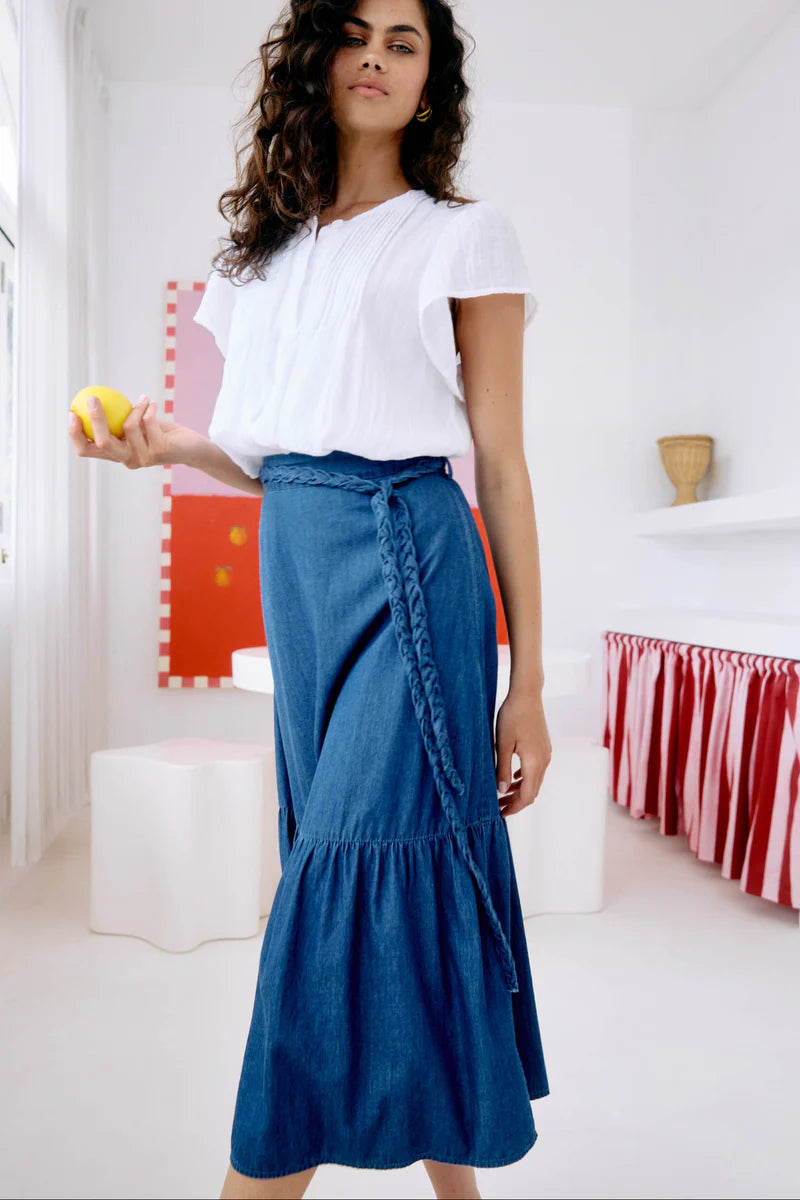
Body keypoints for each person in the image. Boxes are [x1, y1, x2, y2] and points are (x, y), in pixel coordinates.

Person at [68, 1, 552, 1197]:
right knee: (394, 872)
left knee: (343, 876)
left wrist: (526, 685)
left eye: (405, 40)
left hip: (410, 559)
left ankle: (257, 1176)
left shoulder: (464, 236)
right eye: (354, 33)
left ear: (431, 80)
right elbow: (268, 454)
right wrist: (168, 446)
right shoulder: (258, 259)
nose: (376, 56)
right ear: (314, 60)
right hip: (299, 568)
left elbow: (497, 467)